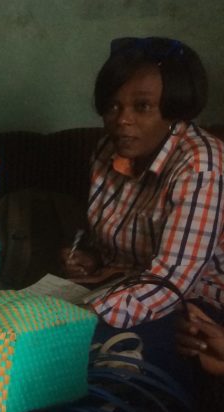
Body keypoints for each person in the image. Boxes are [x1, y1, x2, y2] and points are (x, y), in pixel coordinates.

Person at [61, 37, 224, 330]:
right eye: (112, 106)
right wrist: (91, 259)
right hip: (120, 288)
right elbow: (116, 248)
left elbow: (170, 282)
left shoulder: (201, 166)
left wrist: (73, 319)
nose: (122, 120)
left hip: (194, 305)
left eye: (143, 106)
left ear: (174, 110)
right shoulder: (107, 151)